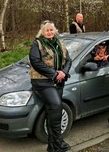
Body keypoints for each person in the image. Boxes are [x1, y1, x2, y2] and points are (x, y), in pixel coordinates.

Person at [29, 20, 72, 152]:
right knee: (55, 105)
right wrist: (54, 74)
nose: (49, 32)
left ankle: (53, 145)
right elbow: (35, 62)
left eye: (51, 30)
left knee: (53, 111)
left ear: (55, 31)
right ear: (42, 32)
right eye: (46, 30)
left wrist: (63, 72)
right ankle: (57, 142)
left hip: (58, 81)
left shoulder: (60, 43)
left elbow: (69, 60)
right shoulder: (37, 44)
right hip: (42, 82)